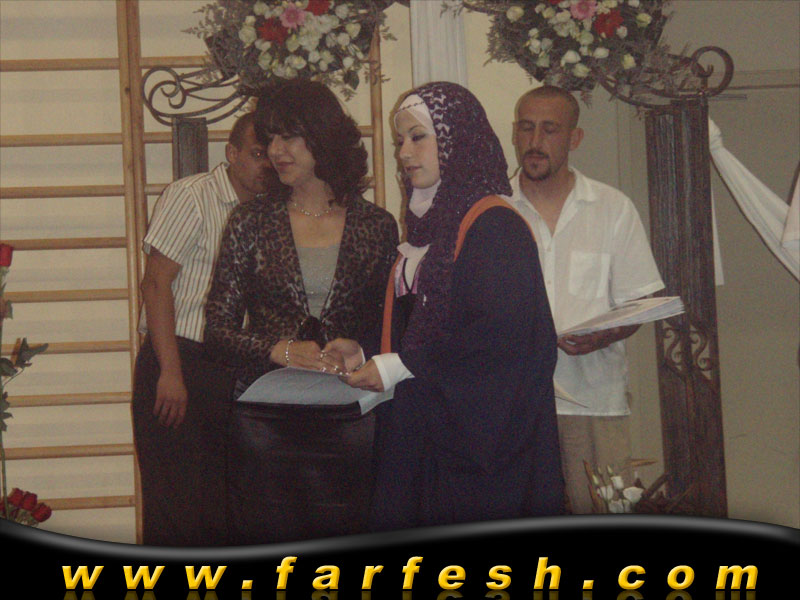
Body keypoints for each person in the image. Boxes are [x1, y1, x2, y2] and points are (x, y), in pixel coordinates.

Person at [327, 81, 565, 530]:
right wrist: (364, 350)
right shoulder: (428, 230)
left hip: (478, 454)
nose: (404, 152)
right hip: (422, 431)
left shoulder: (495, 227)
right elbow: (416, 324)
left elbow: (500, 342)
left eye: (418, 137)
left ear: (458, 141)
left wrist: (400, 365)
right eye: (400, 140)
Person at [203, 79, 399, 545]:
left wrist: (360, 348)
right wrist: (280, 350)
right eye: (269, 138)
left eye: (288, 136)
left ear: (323, 136)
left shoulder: (377, 225)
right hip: (263, 422)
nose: (276, 150)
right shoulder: (250, 221)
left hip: (348, 418)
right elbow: (217, 330)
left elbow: (390, 329)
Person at [507, 85, 665, 514]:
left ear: (574, 138)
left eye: (550, 130)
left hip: (594, 399)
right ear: (515, 134)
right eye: (526, 128)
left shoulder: (612, 208)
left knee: (598, 512)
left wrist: (604, 334)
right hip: (511, 402)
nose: (535, 141)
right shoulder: (493, 209)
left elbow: (640, 301)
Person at [131, 111, 275, 545]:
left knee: (227, 513)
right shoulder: (192, 196)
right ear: (231, 153)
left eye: (272, 154)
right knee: (176, 512)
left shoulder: (272, 210)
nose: (267, 164)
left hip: (237, 369)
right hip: (180, 359)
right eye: (257, 154)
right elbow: (156, 283)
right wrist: (170, 372)